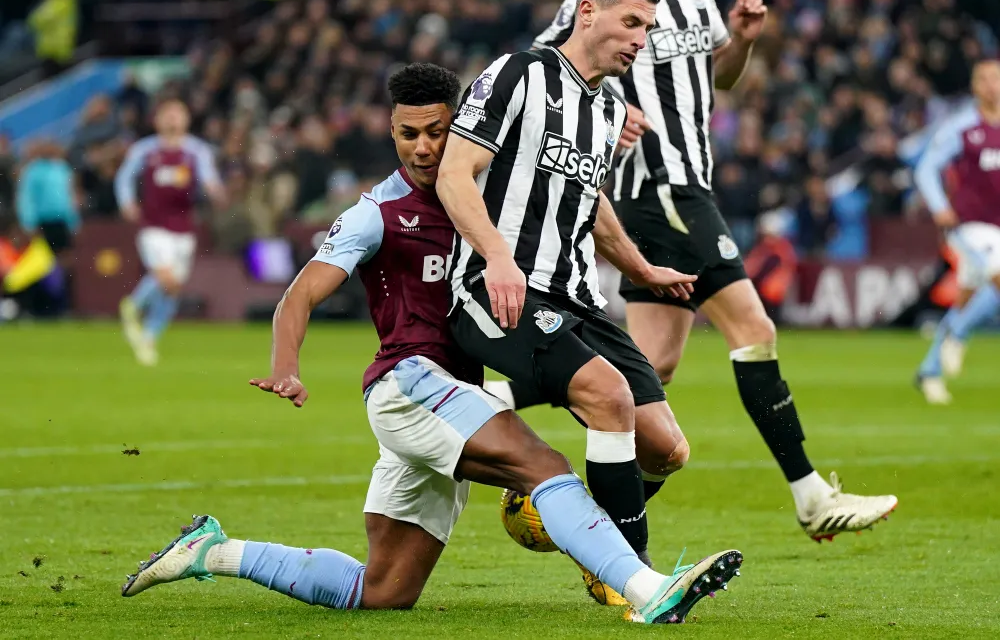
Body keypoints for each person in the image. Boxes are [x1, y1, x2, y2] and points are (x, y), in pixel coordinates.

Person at [120, 62, 743, 624]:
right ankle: (645, 587)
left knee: (383, 590)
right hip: (409, 385)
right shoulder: (378, 212)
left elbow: (580, 195)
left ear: (462, 127)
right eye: (407, 134)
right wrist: (287, 366)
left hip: (457, 395)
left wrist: (634, 264)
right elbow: (300, 294)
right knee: (543, 467)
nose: (422, 147)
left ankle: (212, 551)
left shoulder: (492, 191)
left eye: (436, 132)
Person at [486, 0, 897, 554]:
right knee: (754, 329)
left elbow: (718, 78)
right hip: (658, 186)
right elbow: (550, 66)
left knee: (653, 367)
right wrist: (607, 107)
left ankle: (503, 413)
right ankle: (811, 494)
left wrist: (742, 41)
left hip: (687, 185)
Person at [436, 0, 731, 606]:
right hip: (497, 288)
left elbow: (591, 202)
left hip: (577, 299)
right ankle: (638, 581)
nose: (641, 40)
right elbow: (455, 173)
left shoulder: (608, 108)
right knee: (608, 395)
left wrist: (641, 269)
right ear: (588, 12)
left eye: (648, 29)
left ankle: (582, 532)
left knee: (666, 449)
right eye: (633, 23)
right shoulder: (519, 74)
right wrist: (497, 255)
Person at [115, 98, 226, 366]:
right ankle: (132, 305)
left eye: (178, 113)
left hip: (184, 228)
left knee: (173, 288)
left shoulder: (197, 151)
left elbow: (209, 177)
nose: (173, 118)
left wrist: (215, 190)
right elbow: (124, 177)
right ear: (157, 120)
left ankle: (149, 337)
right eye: (168, 114)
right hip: (153, 225)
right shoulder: (144, 149)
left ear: (187, 120)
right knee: (165, 277)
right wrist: (126, 201)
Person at [915, 59, 1000, 404]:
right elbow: (926, 168)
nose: (992, 85)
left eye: (996, 78)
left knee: (969, 296)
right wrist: (939, 207)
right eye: (984, 79)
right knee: (996, 276)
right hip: (969, 225)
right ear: (975, 86)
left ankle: (929, 369)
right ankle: (958, 336)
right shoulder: (962, 126)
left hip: (998, 226)